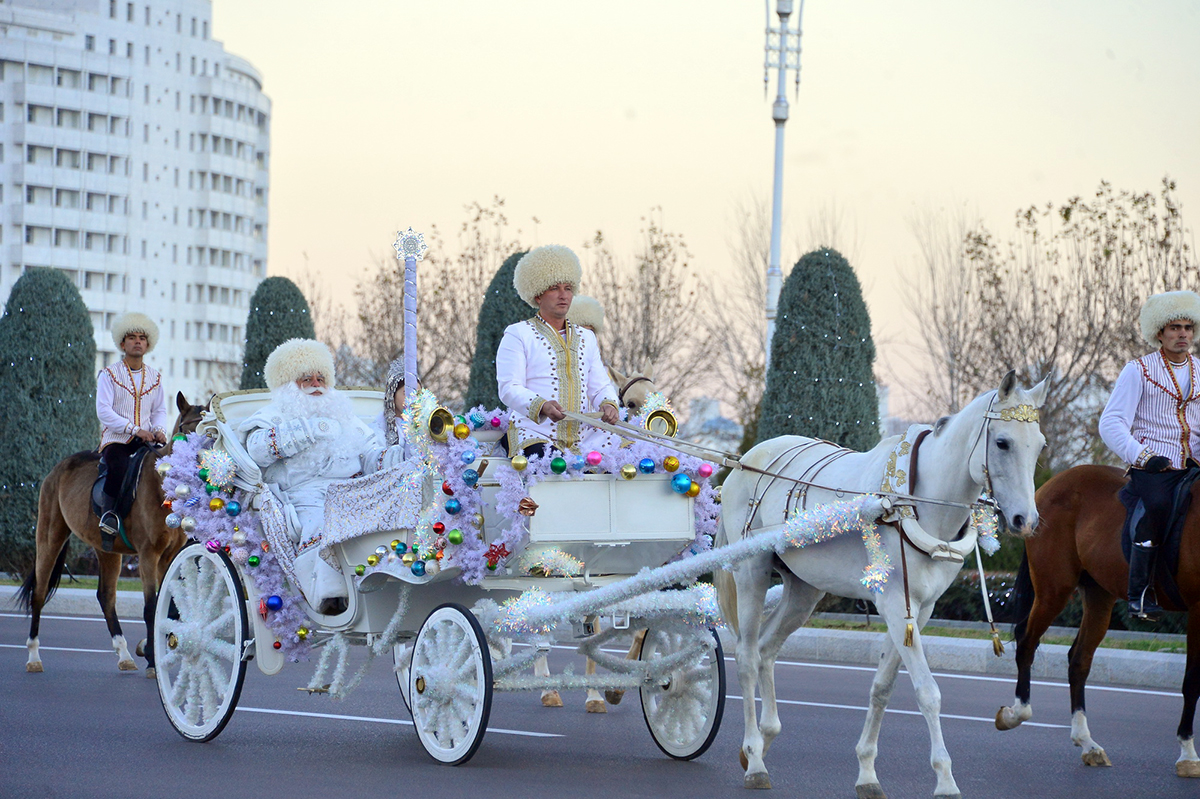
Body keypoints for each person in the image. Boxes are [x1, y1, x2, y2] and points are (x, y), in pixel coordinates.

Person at [238, 339, 403, 614]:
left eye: (321, 378)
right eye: (306, 379)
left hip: (353, 493)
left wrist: (397, 456)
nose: (316, 385)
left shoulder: (345, 417)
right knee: (322, 525)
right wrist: (307, 429)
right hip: (304, 496)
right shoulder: (272, 415)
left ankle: (388, 590)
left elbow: (372, 455)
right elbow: (256, 449)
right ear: (289, 384)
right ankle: (330, 598)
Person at [1099, 289, 1200, 619]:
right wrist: (1142, 456)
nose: (1182, 333)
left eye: (1188, 327)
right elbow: (1111, 422)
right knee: (1157, 505)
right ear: (1159, 332)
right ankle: (1140, 593)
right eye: (1174, 327)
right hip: (1154, 466)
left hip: (1193, 464)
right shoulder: (1138, 370)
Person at [495, 245, 620, 457]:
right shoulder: (518, 334)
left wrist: (609, 404)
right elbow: (509, 387)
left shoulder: (586, 337)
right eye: (554, 288)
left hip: (584, 437)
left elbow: (600, 387)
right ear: (537, 295)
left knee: (628, 449)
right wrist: (541, 405)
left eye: (568, 288)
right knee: (549, 462)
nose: (563, 295)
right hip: (534, 432)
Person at [96, 312, 168, 550]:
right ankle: (108, 519)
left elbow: (159, 410)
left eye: (142, 338)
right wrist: (135, 429)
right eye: (132, 337)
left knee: (166, 467)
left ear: (148, 344)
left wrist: (158, 430)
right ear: (122, 344)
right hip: (116, 439)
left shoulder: (155, 378)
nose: (138, 341)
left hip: (145, 442)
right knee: (117, 466)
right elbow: (103, 411)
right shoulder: (109, 374)